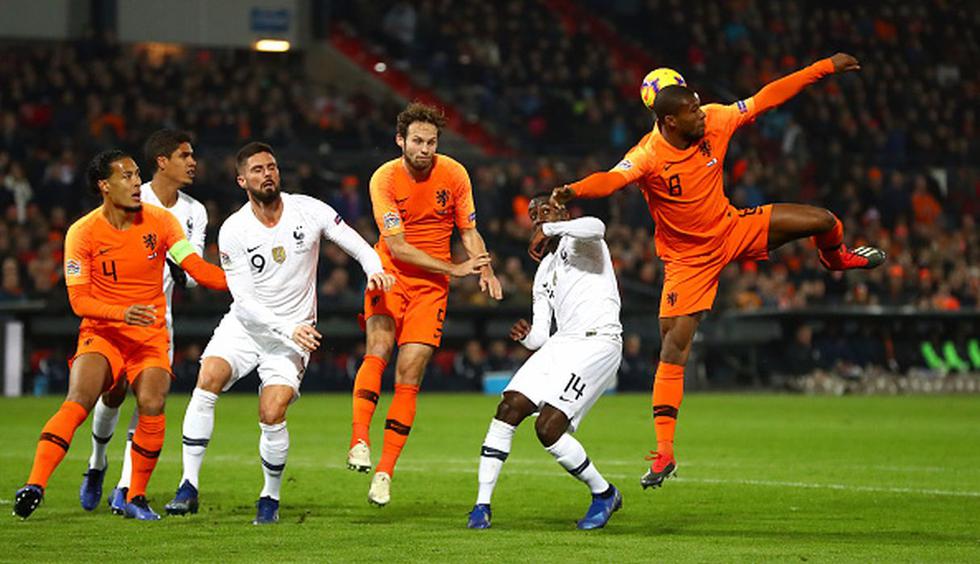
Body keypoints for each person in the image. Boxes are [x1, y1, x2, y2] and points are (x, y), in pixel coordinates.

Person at [550, 53, 886, 489]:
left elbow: (767, 97)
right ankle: (664, 452)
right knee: (674, 348)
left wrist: (823, 67)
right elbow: (611, 180)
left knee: (824, 221)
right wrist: (574, 190)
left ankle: (836, 259)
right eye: (692, 110)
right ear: (669, 121)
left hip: (731, 228)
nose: (702, 114)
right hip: (688, 261)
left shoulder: (715, 120)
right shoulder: (648, 154)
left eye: (699, 104)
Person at [163, 142, 394, 524]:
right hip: (248, 325)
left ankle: (269, 496)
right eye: (257, 170)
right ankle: (188, 485)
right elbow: (244, 300)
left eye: (271, 167)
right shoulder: (235, 229)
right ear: (242, 180)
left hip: (291, 336)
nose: (267, 174)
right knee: (208, 379)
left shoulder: (309, 210)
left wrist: (374, 270)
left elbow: (359, 245)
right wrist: (289, 327)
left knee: (272, 411)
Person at [13, 149, 227, 521]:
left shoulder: (161, 222)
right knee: (80, 400)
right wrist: (121, 312)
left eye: (137, 175)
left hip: (149, 337)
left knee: (153, 403)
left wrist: (240, 283)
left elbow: (195, 266)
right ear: (104, 185)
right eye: (126, 176)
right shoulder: (82, 232)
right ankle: (37, 484)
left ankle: (135, 496)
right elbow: (79, 301)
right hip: (104, 334)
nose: (136, 183)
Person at [348, 102, 502, 506]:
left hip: (431, 288)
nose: (425, 149)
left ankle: (384, 472)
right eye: (417, 141)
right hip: (390, 273)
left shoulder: (454, 174)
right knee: (379, 347)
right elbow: (398, 246)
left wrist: (484, 265)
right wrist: (455, 268)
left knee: (410, 372)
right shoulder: (384, 178)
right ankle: (359, 440)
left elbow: (468, 231)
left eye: (431, 142)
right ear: (400, 140)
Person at [467, 195, 623, 530]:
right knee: (509, 407)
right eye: (534, 215)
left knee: (548, 427)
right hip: (562, 342)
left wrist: (551, 228)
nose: (539, 218)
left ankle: (604, 493)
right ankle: (481, 505)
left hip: (598, 341)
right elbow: (540, 336)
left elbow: (597, 226)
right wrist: (526, 337)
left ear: (563, 214)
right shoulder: (543, 272)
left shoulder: (583, 240)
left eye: (546, 211)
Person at [80, 129, 208, 514]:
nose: (193, 162)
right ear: (162, 162)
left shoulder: (195, 212)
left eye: (193, 155)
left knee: (149, 401)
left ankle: (126, 487)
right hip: (115, 318)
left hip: (156, 320)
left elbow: (193, 269)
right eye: (184, 155)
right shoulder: (133, 195)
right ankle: (96, 463)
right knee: (113, 394)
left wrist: (186, 271)